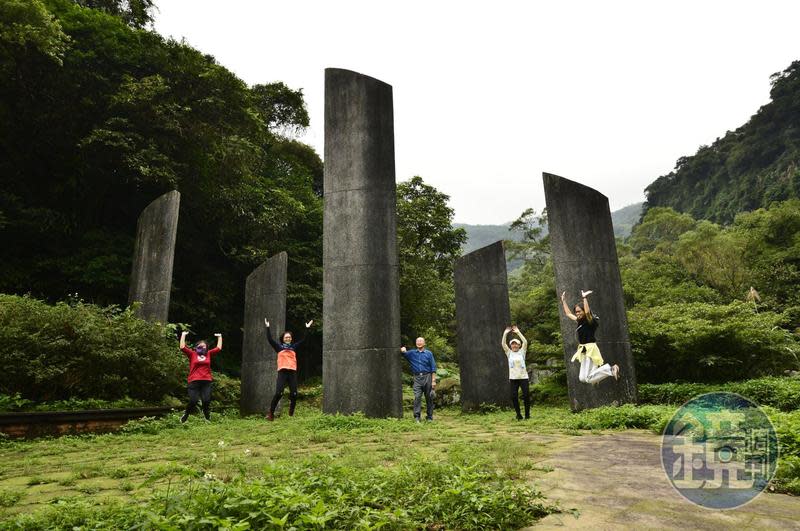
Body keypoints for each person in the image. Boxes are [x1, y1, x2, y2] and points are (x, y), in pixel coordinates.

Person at [560, 290, 619, 384]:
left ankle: (610, 369)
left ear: (583, 310)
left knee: (588, 378)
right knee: (582, 378)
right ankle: (609, 370)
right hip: (583, 350)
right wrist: (563, 301)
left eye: (579, 311)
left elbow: (587, 313)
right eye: (576, 312)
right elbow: (568, 314)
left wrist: (584, 298)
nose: (577, 313)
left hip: (590, 350)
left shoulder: (590, 321)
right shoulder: (580, 321)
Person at [264, 318, 313, 421]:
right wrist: (268, 327)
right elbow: (270, 340)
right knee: (278, 393)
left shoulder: (294, 347)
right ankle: (271, 414)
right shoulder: (279, 347)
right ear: (283, 339)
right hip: (282, 372)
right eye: (286, 337)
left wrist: (307, 328)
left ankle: (291, 411)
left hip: (292, 372)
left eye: (289, 337)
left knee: (294, 394)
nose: (288, 338)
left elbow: (304, 340)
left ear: (291, 339)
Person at [179, 331, 223, 423]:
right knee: (193, 401)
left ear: (206, 347)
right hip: (194, 381)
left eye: (204, 346)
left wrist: (219, 337)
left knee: (206, 400)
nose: (202, 347)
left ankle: (206, 415)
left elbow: (218, 348)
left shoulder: (209, 354)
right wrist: (183, 335)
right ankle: (186, 414)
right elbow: (182, 347)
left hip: (206, 381)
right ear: (196, 347)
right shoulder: (192, 354)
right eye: (200, 345)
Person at [400, 337, 437, 422]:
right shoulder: (412, 353)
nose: (419, 342)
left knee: (429, 398)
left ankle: (429, 417)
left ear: (424, 343)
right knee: (417, 397)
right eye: (417, 341)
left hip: (427, 376)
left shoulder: (429, 353)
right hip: (417, 378)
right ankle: (417, 417)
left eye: (421, 341)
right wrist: (403, 350)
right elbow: (403, 353)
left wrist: (433, 381)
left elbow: (433, 368)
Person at [501, 325, 530, 420]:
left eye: (516, 344)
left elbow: (525, 341)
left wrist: (518, 332)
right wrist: (505, 333)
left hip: (523, 378)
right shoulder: (509, 353)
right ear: (511, 346)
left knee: (526, 396)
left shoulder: (522, 352)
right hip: (513, 379)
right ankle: (518, 414)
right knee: (514, 397)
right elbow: (503, 344)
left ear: (519, 345)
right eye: (513, 344)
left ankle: (527, 414)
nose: (514, 345)